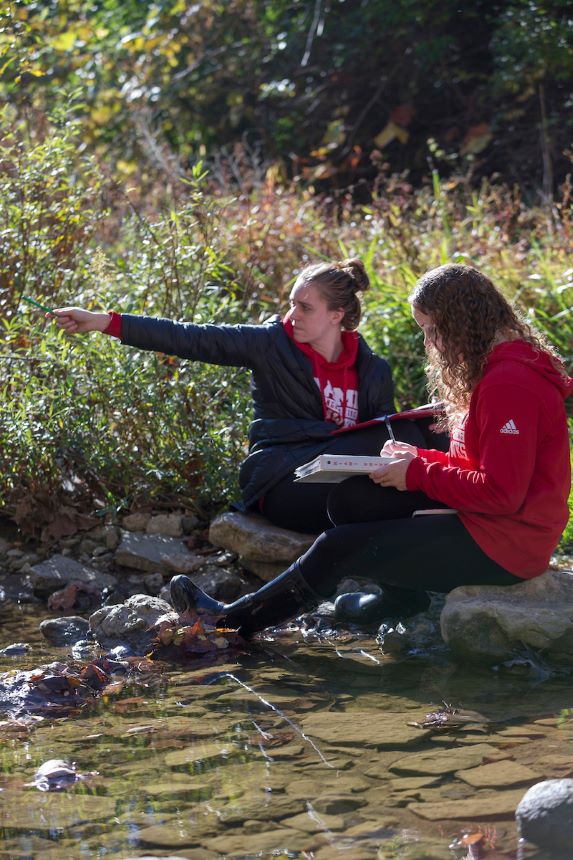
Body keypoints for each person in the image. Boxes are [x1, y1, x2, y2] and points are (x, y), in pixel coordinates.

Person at [169, 263, 573, 636]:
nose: (430, 344)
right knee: (353, 500)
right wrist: (418, 460)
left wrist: (416, 473)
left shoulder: (510, 384)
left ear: (463, 323)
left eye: (432, 330)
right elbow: (476, 465)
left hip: (507, 546)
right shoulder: (491, 370)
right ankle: (401, 601)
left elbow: (503, 493)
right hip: (487, 522)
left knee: (337, 546)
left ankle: (230, 622)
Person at [51, 257, 445, 534]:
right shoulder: (269, 343)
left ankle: (462, 509)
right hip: (283, 481)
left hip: (341, 482)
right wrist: (103, 322)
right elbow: (189, 337)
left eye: (305, 307)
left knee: (411, 436)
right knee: (403, 440)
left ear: (336, 315)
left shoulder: (374, 370)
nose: (292, 315)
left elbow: (384, 442)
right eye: (291, 303)